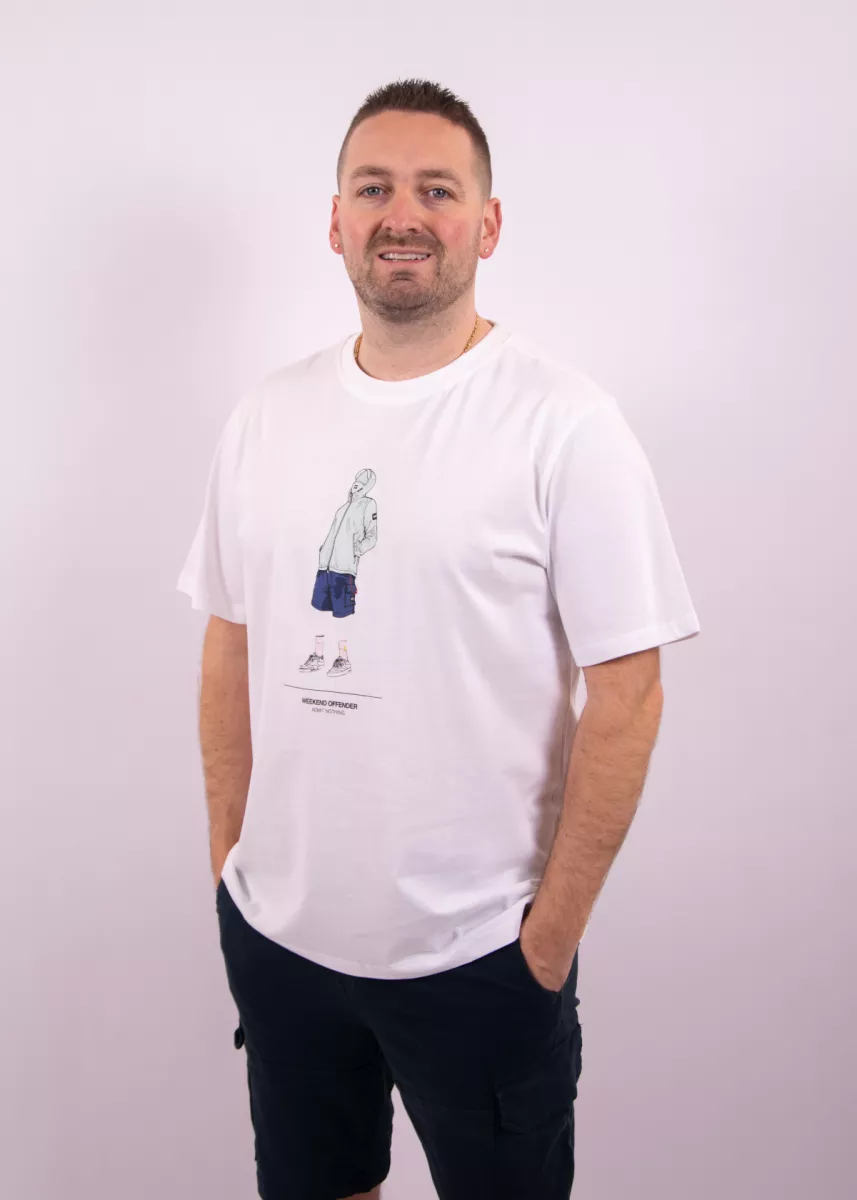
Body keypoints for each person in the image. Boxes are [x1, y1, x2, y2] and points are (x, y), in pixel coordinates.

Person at [177, 77, 701, 1200]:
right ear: (334, 221)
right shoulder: (266, 415)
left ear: (487, 224)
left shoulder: (563, 424)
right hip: (282, 941)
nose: (401, 214)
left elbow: (629, 692)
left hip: (477, 957)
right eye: (373, 189)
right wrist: (232, 865)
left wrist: (546, 940)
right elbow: (228, 641)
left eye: (437, 189)